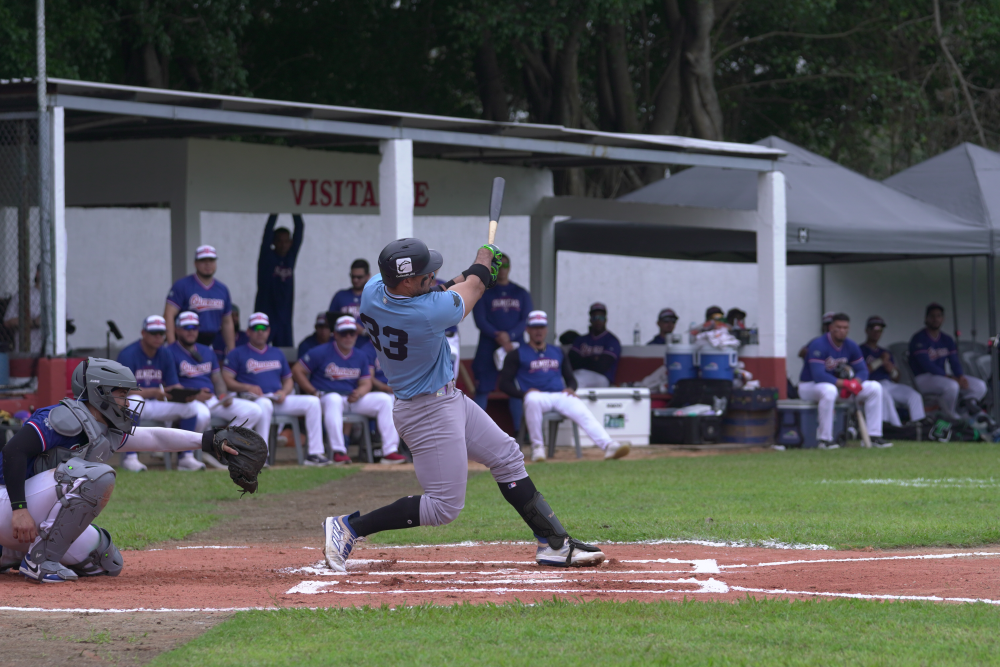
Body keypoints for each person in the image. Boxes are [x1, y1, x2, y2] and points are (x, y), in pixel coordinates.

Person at [322, 238, 604, 572]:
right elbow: (472, 289)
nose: (433, 276)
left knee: (507, 456)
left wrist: (475, 273)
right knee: (443, 507)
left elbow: (439, 287)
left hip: (446, 398)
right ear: (408, 281)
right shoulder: (428, 313)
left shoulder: (373, 290)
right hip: (426, 410)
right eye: (425, 273)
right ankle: (349, 528)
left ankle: (554, 543)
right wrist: (483, 261)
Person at [0, 358, 244, 582]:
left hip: (26, 512)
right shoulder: (64, 417)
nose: (127, 402)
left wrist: (207, 441)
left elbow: (155, 438)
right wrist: (19, 509)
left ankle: (10, 551)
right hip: (9, 503)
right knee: (95, 476)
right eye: (121, 394)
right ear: (100, 393)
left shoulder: (103, 428)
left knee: (104, 561)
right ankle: (39, 562)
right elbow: (13, 451)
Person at [499, 310, 630, 463]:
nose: (538, 331)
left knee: (580, 406)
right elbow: (504, 384)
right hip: (537, 396)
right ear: (527, 329)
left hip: (559, 394)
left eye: (541, 327)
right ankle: (538, 447)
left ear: (546, 329)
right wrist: (524, 394)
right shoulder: (517, 353)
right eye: (534, 327)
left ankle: (608, 445)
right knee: (532, 399)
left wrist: (571, 389)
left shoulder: (557, 351)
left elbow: (571, 379)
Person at [293, 315, 406, 466]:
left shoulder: (360, 355)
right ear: (336, 334)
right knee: (333, 399)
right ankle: (338, 451)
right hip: (326, 397)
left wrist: (359, 392)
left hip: (351, 398)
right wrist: (313, 391)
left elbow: (366, 382)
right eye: (344, 333)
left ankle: (389, 451)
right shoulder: (320, 351)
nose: (348, 337)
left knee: (385, 399)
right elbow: (297, 370)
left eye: (352, 333)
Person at [222, 312, 330, 466]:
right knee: (264, 404)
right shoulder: (237, 353)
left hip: (277, 398)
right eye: (256, 328)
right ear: (249, 332)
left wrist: (284, 392)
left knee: (313, 402)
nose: (260, 331)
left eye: (264, 328)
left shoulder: (276, 353)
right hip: (252, 399)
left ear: (269, 331)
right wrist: (246, 386)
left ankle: (314, 453)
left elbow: (288, 380)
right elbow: (226, 378)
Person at [116, 315, 203, 472]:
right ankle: (131, 457)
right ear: (143, 333)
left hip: (156, 403)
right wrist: (153, 392)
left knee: (192, 407)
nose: (158, 337)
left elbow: (173, 384)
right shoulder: (128, 354)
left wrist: (184, 395)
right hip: (133, 405)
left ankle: (186, 458)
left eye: (161, 333)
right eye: (154, 333)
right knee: (133, 400)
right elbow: (121, 389)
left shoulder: (165, 353)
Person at [167, 311, 267, 445]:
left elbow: (217, 379)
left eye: (195, 327)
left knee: (253, 411)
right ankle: (189, 453)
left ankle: (224, 447)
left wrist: (223, 396)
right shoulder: (169, 352)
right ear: (177, 330)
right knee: (202, 415)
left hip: (211, 399)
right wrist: (195, 395)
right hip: (189, 401)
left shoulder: (207, 351)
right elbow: (170, 385)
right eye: (187, 328)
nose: (191, 331)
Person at [798, 313, 891, 448]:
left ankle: (874, 436)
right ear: (830, 328)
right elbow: (819, 376)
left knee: (875, 387)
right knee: (829, 390)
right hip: (809, 386)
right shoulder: (818, 344)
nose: (842, 331)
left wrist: (856, 382)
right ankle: (825, 440)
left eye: (845, 328)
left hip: (838, 386)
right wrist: (846, 384)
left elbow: (863, 370)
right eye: (838, 327)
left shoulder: (851, 345)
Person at [471, 254, 532, 426]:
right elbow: (480, 320)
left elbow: (526, 319)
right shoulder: (484, 292)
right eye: (498, 265)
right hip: (488, 346)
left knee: (516, 388)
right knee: (482, 389)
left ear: (510, 267)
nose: (502, 269)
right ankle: (476, 432)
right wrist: (498, 335)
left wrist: (510, 336)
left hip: (514, 347)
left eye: (505, 265)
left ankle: (521, 432)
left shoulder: (521, 293)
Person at [909, 303, 987, 420]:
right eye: (932, 316)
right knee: (952, 386)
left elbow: (954, 361)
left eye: (939, 316)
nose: (935, 319)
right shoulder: (919, 338)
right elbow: (927, 366)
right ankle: (949, 416)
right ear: (926, 318)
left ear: (943, 318)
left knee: (979, 386)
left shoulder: (947, 339)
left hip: (942, 377)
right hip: (922, 378)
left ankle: (965, 409)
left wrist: (960, 376)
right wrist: (950, 378)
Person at [164, 245, 235, 351]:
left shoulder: (222, 289)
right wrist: (172, 346)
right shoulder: (182, 285)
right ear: (195, 263)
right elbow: (168, 315)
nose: (208, 264)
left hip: (210, 343)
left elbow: (227, 322)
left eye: (211, 260)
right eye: (203, 260)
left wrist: (231, 349)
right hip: (184, 342)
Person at [860, 316, 925, 427]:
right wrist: (879, 361)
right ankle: (895, 428)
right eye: (874, 330)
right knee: (885, 396)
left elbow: (896, 378)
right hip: (872, 384)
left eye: (880, 330)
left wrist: (891, 370)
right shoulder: (860, 349)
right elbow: (862, 372)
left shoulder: (885, 352)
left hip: (888, 383)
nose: (877, 333)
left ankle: (918, 426)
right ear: (867, 331)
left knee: (914, 395)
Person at [254, 215, 304, 347]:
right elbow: (267, 231)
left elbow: (299, 228)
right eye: (279, 241)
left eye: (286, 241)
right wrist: (275, 210)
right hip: (264, 314)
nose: (283, 245)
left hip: (284, 319)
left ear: (291, 243)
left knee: (286, 355)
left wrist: (295, 210)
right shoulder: (267, 257)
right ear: (273, 242)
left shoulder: (290, 257)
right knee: (257, 349)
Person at [569, 303, 621, 388]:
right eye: (594, 318)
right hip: (579, 373)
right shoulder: (581, 339)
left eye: (601, 317)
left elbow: (602, 367)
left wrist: (582, 360)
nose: (598, 321)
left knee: (577, 382)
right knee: (561, 380)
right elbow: (571, 362)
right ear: (590, 320)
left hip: (602, 378)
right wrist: (594, 359)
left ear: (605, 319)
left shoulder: (612, 340)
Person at [3, 265, 42, 354]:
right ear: (37, 273)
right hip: (28, 351)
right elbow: (7, 321)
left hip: (52, 352)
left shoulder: (59, 297)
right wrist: (34, 322)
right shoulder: (24, 294)